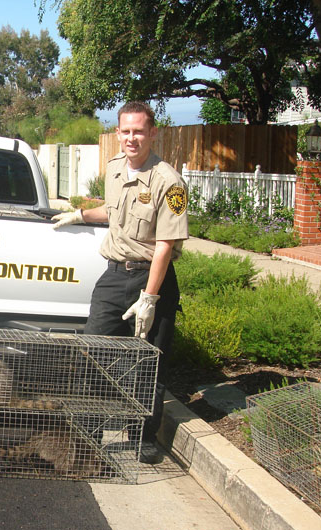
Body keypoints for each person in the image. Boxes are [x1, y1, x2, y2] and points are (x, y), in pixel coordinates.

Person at [52, 101, 188, 464]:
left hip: (152, 278)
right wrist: (80, 214)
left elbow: (164, 247)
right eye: (125, 131)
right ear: (118, 133)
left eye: (139, 131)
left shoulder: (169, 182)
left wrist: (150, 299)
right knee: (93, 353)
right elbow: (112, 212)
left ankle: (142, 436)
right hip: (113, 277)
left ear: (152, 133)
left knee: (148, 362)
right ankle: (90, 433)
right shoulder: (114, 170)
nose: (132, 138)